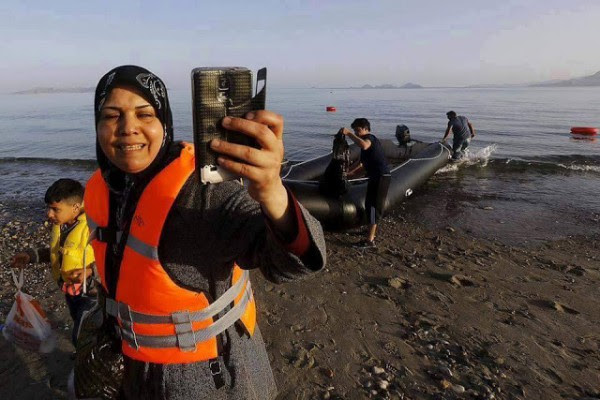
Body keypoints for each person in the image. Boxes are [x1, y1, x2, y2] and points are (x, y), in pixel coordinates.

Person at [74, 65, 326, 400]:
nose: (127, 128)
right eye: (111, 115)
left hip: (208, 378)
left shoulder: (206, 191)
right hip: (133, 372)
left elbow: (292, 264)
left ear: (164, 123)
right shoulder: (100, 189)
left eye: (144, 114)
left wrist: (271, 191)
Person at [10, 178, 96, 346]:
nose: (49, 214)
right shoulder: (62, 225)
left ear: (76, 207)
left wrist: (91, 271)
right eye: (48, 208)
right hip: (70, 289)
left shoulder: (92, 229)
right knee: (77, 319)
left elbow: (114, 260)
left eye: (55, 209)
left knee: (81, 334)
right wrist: (30, 256)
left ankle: (82, 362)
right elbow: (55, 253)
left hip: (92, 294)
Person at [341, 118, 390, 248]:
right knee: (369, 205)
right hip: (374, 177)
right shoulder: (364, 147)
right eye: (355, 131)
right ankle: (369, 231)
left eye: (358, 130)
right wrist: (349, 173)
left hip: (381, 177)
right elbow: (361, 164)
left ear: (366, 128)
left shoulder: (370, 138)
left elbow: (364, 145)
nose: (356, 133)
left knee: (374, 207)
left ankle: (370, 241)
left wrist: (348, 133)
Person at [319, 129, 350, 197]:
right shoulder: (344, 144)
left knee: (332, 175)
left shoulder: (336, 142)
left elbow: (336, 153)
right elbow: (346, 157)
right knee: (339, 177)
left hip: (336, 161)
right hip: (340, 162)